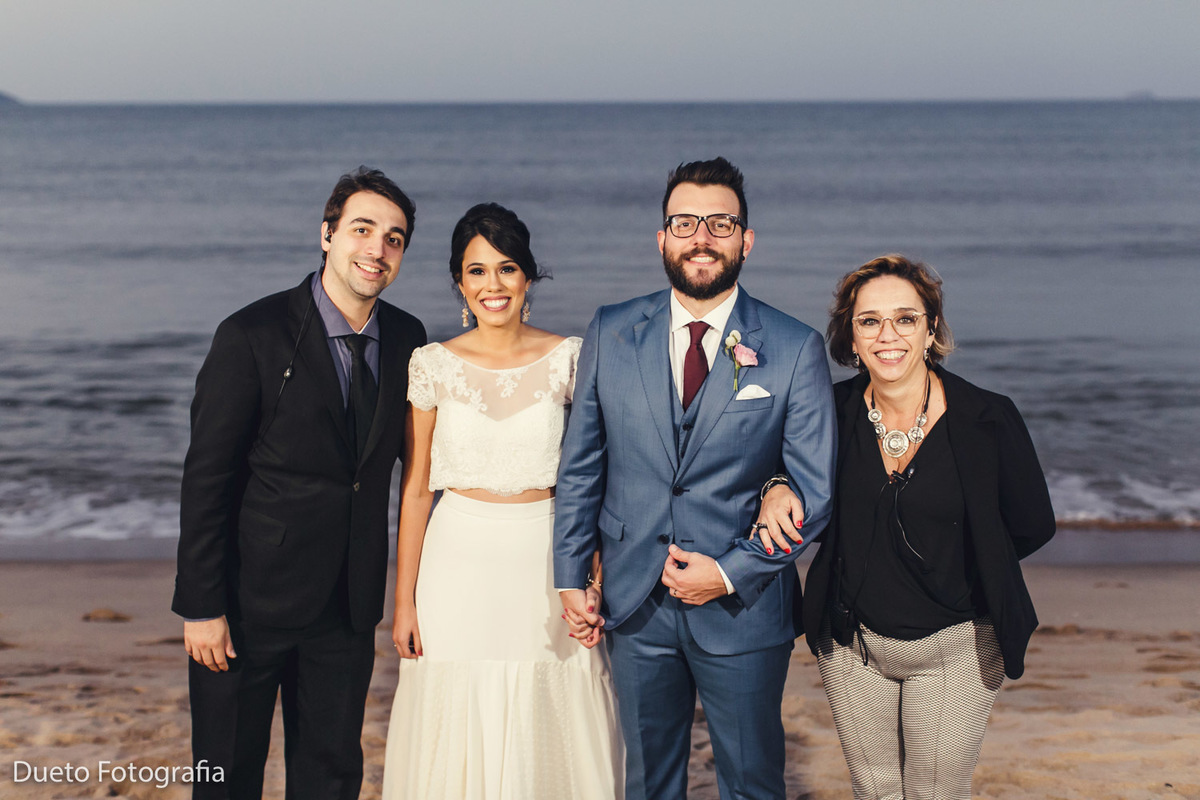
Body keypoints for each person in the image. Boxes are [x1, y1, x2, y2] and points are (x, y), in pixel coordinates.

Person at [553, 157, 837, 800]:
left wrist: (731, 570)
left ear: (746, 240)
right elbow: (581, 464)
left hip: (743, 607)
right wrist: (571, 573)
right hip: (634, 601)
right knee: (648, 782)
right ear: (662, 238)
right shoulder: (611, 329)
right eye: (684, 222)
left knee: (751, 783)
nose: (701, 236)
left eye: (720, 223)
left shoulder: (793, 348)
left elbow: (814, 493)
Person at [172, 167, 427, 800]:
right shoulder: (250, 335)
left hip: (346, 607)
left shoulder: (408, 339)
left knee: (332, 776)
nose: (376, 249)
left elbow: (419, 474)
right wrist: (202, 607)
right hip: (245, 603)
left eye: (393, 239)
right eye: (362, 230)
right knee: (226, 775)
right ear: (327, 234)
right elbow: (207, 479)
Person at [775, 254, 1055, 800]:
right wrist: (775, 488)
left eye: (905, 319)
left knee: (934, 790)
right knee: (877, 791)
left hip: (958, 641)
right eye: (869, 321)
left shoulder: (987, 417)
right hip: (851, 642)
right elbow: (778, 476)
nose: (888, 335)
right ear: (851, 339)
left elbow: (1031, 524)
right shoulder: (825, 414)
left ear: (931, 330)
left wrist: (963, 564)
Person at [382, 203, 623, 800]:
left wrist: (593, 569)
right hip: (456, 556)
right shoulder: (431, 365)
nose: (493, 285)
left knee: (556, 700)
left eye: (507, 268)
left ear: (528, 278)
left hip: (546, 554)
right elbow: (415, 491)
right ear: (459, 283)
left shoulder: (572, 358)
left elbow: (602, 477)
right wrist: (404, 601)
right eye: (477, 271)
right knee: (453, 705)